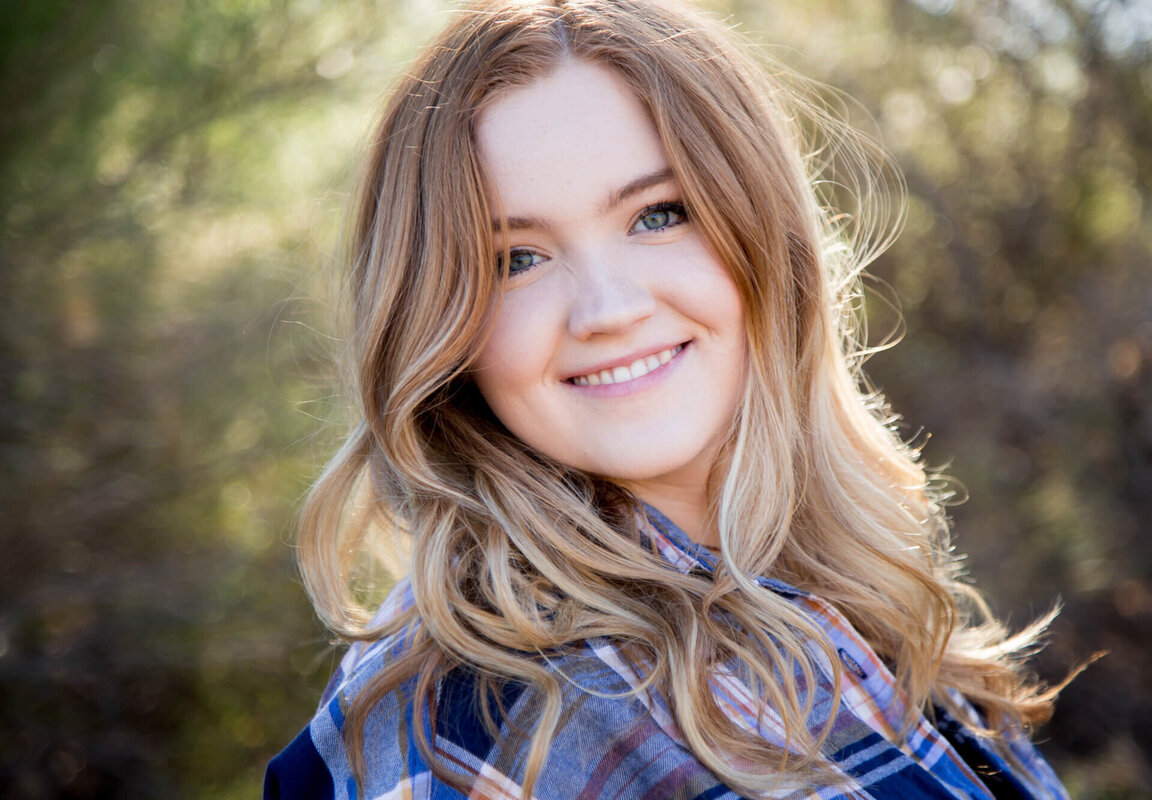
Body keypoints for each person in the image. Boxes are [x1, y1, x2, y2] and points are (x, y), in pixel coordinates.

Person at [265, 1, 1075, 797]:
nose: (609, 310)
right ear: (440, 326)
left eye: (657, 214)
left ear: (767, 230)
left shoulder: (848, 590)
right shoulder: (474, 723)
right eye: (516, 259)